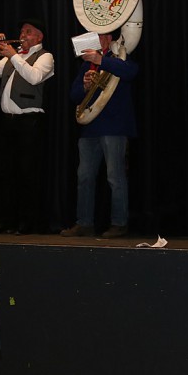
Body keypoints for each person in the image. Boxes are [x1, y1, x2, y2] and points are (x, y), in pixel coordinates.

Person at [60, 31, 139, 238]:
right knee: (84, 177)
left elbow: (131, 72)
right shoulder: (87, 64)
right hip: (90, 127)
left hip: (115, 126)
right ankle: (84, 223)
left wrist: (101, 60)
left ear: (108, 38)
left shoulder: (119, 55)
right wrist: (85, 86)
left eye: (100, 35)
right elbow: (74, 95)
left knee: (115, 176)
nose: (96, 39)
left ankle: (119, 223)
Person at [0, 19, 54, 235]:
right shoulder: (12, 57)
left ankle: (27, 221)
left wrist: (13, 55)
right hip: (7, 122)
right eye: (22, 31)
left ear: (39, 37)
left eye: (28, 32)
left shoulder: (45, 56)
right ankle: (6, 219)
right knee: (5, 172)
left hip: (29, 121)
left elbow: (34, 77)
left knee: (27, 173)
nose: (22, 35)